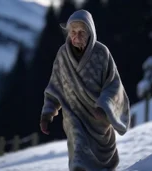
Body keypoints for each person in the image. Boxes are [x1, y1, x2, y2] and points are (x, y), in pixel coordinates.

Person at [39, 9, 130, 171]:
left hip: (98, 121)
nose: (77, 36)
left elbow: (114, 85)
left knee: (102, 163)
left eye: (82, 32)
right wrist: (47, 113)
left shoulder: (102, 54)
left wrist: (104, 107)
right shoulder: (62, 55)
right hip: (73, 117)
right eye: (73, 32)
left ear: (91, 32)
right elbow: (54, 87)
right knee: (79, 151)